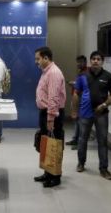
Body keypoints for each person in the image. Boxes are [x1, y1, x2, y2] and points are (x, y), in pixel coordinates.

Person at [72, 51, 111, 180]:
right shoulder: (83, 75)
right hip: (85, 113)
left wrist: (104, 105)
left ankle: (104, 169)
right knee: (82, 139)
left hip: (101, 114)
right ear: (90, 61)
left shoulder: (108, 76)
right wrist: (74, 111)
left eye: (98, 59)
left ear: (102, 61)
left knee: (102, 141)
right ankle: (81, 163)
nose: (96, 61)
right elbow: (76, 93)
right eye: (93, 59)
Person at [33, 46, 66, 188]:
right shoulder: (45, 72)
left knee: (54, 146)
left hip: (52, 114)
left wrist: (51, 118)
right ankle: (48, 173)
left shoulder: (53, 73)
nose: (36, 62)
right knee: (46, 144)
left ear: (46, 58)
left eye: (38, 59)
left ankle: (55, 177)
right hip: (46, 112)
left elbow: (53, 98)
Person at [66, 55, 88, 149]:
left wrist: (74, 84)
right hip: (77, 98)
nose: (79, 64)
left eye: (81, 62)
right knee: (77, 121)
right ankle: (76, 139)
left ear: (85, 62)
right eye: (78, 62)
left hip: (82, 100)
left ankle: (79, 143)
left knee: (81, 122)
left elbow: (85, 86)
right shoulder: (81, 72)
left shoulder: (87, 73)